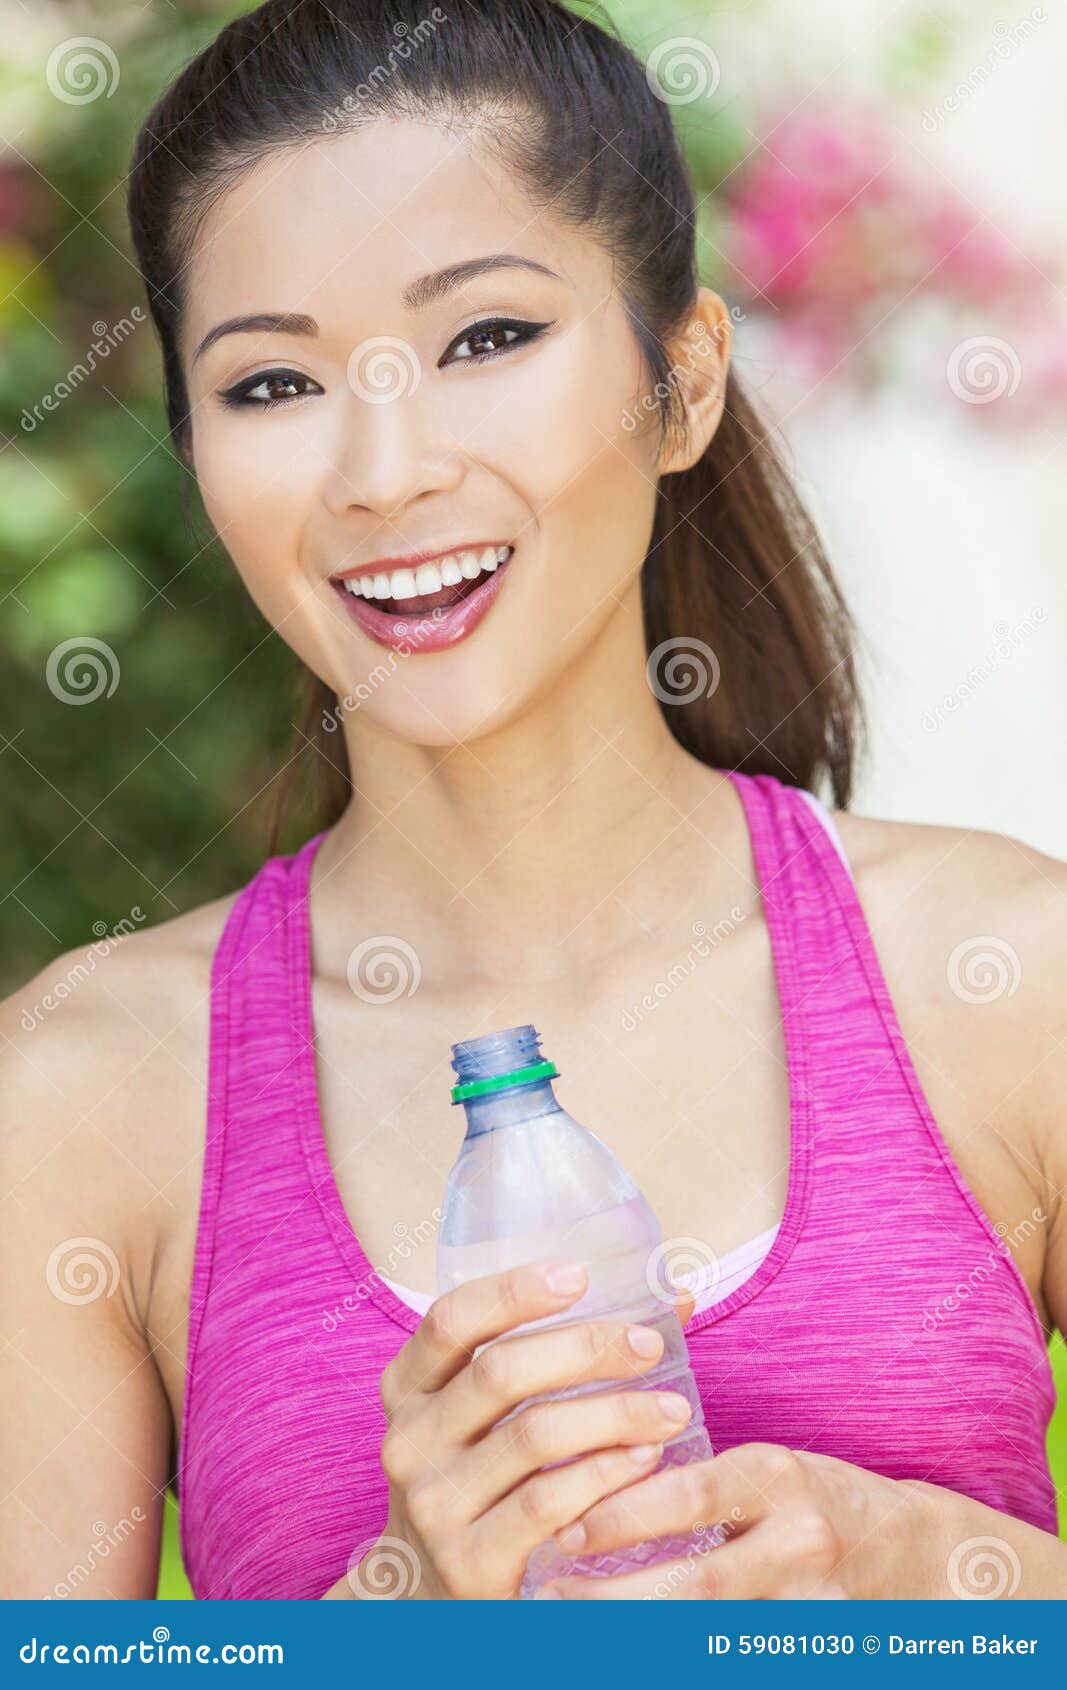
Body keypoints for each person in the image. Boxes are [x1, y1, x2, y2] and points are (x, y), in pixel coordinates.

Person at [2, 0, 1064, 1601]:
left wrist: (948, 1569)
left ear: (685, 378)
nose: (383, 470)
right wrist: (406, 1614)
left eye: (486, 339)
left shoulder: (1010, 978)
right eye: (272, 383)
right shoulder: (79, 1100)